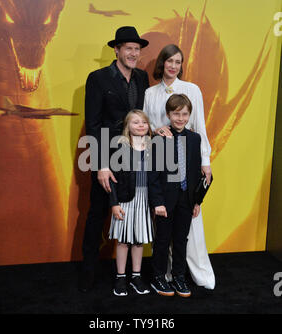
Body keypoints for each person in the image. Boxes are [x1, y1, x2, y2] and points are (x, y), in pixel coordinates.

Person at [80, 27, 149, 292]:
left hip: (135, 160)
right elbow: (93, 124)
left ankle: (130, 274)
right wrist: (100, 165)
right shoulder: (98, 78)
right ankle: (88, 275)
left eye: (137, 49)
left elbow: (145, 116)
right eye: (128, 48)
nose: (133, 53)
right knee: (97, 214)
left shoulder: (142, 78)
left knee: (132, 213)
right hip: (107, 159)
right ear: (116, 50)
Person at [143, 44, 215, 290]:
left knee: (185, 233)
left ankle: (185, 273)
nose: (173, 66)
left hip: (187, 171)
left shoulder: (192, 90)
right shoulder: (150, 93)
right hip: (162, 163)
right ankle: (161, 276)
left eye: (178, 62)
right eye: (169, 61)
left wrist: (205, 161)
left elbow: (200, 128)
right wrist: (155, 131)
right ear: (161, 63)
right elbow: (143, 124)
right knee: (162, 234)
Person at [148, 94, 202, 297]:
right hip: (165, 200)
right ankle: (159, 276)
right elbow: (153, 174)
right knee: (162, 240)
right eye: (176, 114)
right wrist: (157, 202)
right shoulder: (160, 138)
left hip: (186, 199)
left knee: (181, 239)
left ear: (189, 115)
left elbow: (196, 172)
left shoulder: (194, 139)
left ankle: (179, 276)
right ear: (169, 115)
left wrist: (197, 201)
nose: (180, 118)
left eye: (184, 114)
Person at [108, 110, 153, 296]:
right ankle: (120, 278)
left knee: (138, 240)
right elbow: (111, 178)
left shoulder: (154, 146)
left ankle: (136, 276)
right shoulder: (120, 147)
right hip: (125, 199)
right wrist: (114, 203)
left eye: (144, 122)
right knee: (124, 241)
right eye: (135, 122)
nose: (141, 125)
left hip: (144, 199)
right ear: (127, 126)